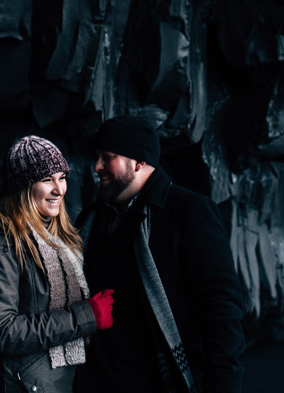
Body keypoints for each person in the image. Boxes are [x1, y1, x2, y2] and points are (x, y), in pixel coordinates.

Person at [75, 115, 245, 393]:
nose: (97, 167)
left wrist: (222, 385)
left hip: (161, 383)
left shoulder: (189, 212)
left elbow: (221, 306)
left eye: (108, 157)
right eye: (97, 157)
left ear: (139, 162)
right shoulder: (91, 220)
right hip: (94, 381)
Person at [0, 135, 115, 393]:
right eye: (47, 180)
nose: (59, 189)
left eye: (62, 177)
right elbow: (2, 332)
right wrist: (86, 315)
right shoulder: (1, 243)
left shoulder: (62, 236)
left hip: (60, 381)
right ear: (23, 187)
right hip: (23, 384)